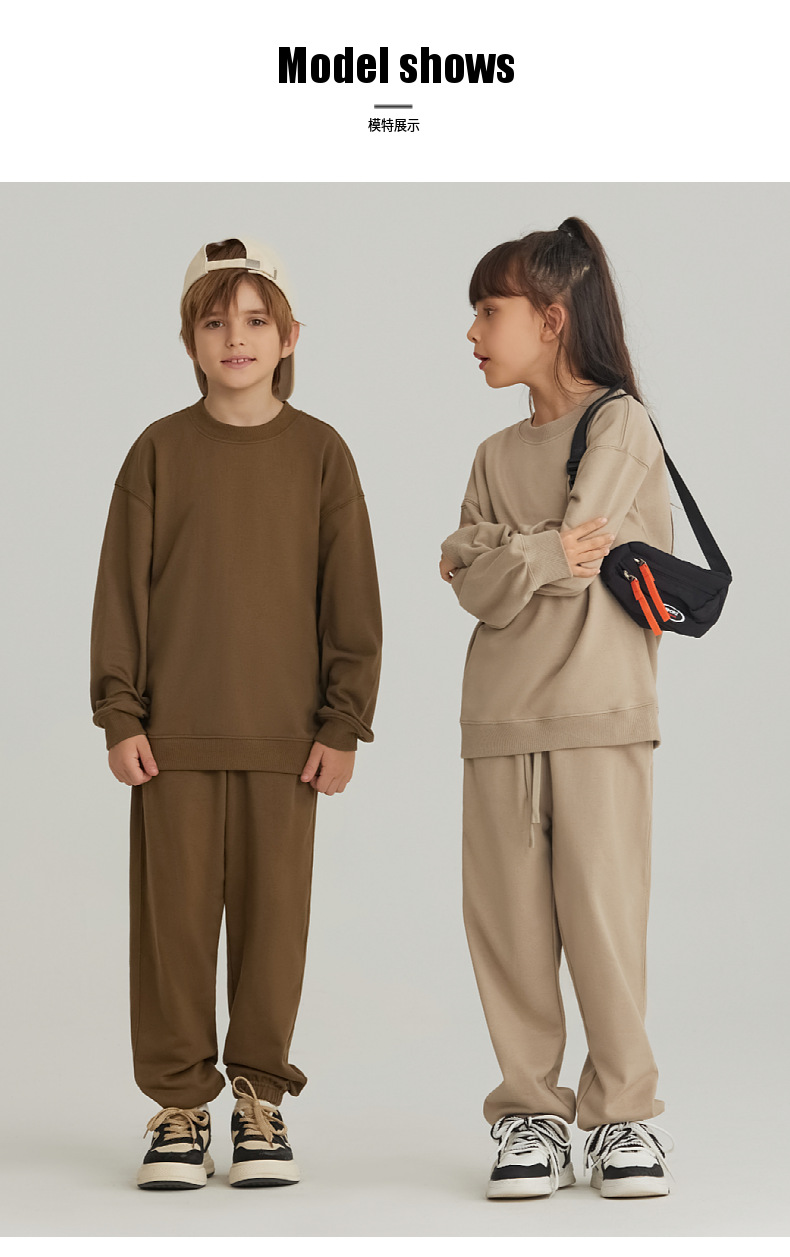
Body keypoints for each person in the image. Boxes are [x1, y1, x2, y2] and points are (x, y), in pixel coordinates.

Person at [90, 236, 382, 1190]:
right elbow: (121, 593)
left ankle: (259, 1100)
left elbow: (351, 600)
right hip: (170, 741)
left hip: (287, 744)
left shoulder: (322, 454)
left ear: (290, 335)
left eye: (256, 320)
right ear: (190, 339)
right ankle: (180, 1108)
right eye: (214, 321)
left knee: (272, 932)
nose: (235, 337)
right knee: (171, 933)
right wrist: (120, 713)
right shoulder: (158, 451)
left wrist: (343, 722)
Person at [440, 217, 674, 1200]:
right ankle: (530, 1113)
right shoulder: (492, 452)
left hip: (599, 714)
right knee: (508, 933)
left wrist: (498, 553)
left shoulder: (620, 424)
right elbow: (475, 582)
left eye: (486, 311)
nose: (471, 333)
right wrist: (511, 558)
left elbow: (575, 550)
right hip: (497, 721)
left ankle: (622, 1118)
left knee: (603, 924)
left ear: (550, 318)